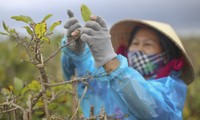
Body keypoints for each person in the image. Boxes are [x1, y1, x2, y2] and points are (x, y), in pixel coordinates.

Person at [61, 9, 194, 120]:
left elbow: (153, 109)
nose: (139, 49)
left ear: (166, 56)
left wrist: (111, 62)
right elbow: (84, 77)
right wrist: (77, 54)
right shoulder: (110, 78)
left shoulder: (171, 88)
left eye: (148, 44)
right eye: (135, 43)